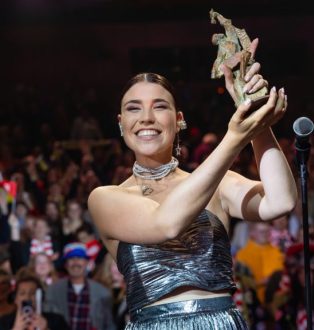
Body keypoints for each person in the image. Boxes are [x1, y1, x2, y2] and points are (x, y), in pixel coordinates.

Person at [88, 39, 297, 329]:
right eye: (134, 109)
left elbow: (281, 200)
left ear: (179, 121)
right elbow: (166, 224)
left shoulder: (217, 183)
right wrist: (233, 139)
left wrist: (254, 116)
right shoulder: (105, 198)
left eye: (159, 106)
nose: (146, 118)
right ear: (122, 124)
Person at [45, 242, 115, 330]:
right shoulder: (52, 291)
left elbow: (109, 326)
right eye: (71, 258)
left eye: (79, 258)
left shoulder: (103, 293)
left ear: (86, 262)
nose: (75, 262)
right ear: (65, 264)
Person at [0, 272, 69, 330]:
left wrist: (46, 328)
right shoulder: (4, 322)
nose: (27, 297)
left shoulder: (56, 320)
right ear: (15, 298)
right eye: (22, 293)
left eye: (32, 293)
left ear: (40, 297)